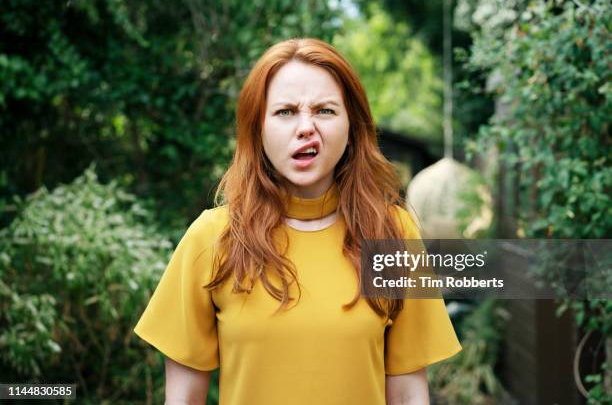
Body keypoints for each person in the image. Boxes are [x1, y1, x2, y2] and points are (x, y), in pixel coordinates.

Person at [134, 37, 461, 405]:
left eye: (325, 110)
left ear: (352, 127)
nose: (305, 127)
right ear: (258, 129)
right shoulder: (212, 238)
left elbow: (408, 396)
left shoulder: (393, 234)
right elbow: (182, 400)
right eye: (285, 111)